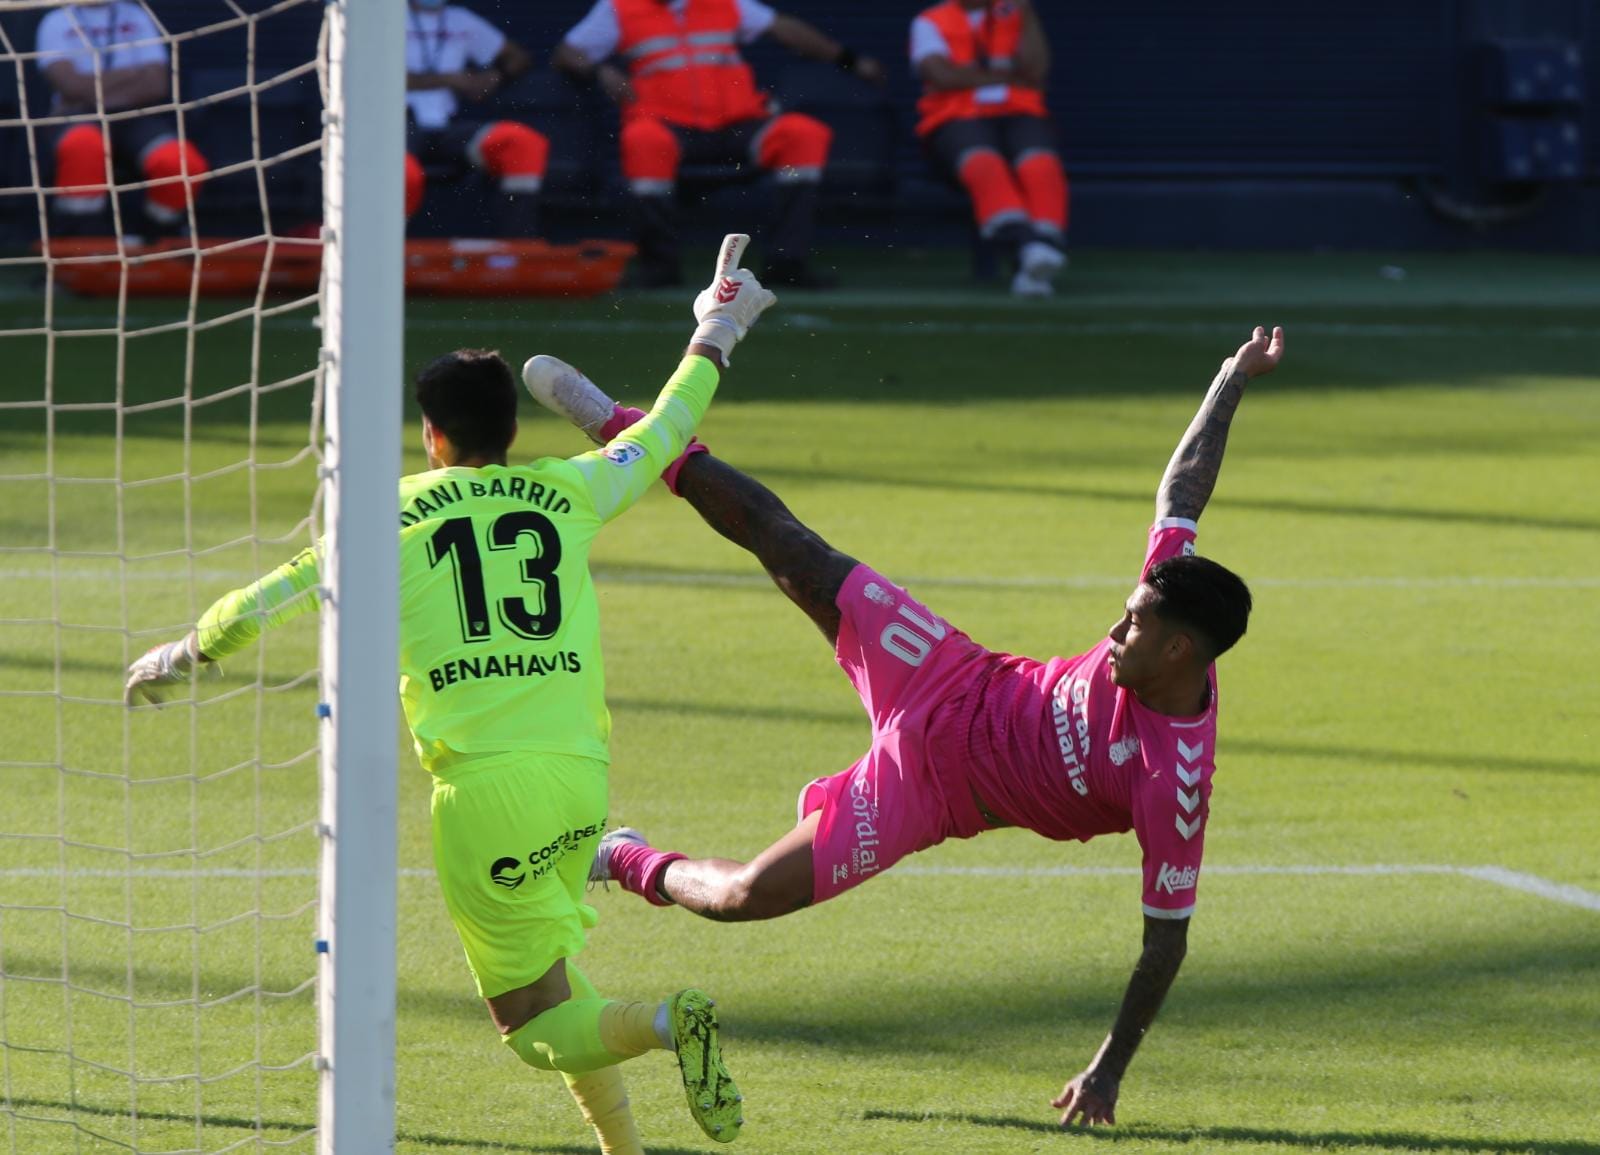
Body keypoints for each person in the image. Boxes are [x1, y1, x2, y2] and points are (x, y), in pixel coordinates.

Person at [532, 325, 1286, 1127]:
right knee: (794, 550)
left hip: (928, 792)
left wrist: (1108, 1069)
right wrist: (1231, 375)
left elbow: (1165, 942)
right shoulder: (1165, 615)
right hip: (951, 672)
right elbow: (1182, 493)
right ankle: (630, 434)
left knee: (745, 896)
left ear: (1178, 649)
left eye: (1132, 628)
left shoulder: (1174, 781)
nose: (1112, 634)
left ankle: (624, 854)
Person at [123, 236, 778, 1153]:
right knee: (554, 976)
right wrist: (717, 328)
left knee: (528, 1024)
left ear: (431, 433)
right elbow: (664, 432)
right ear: (511, 428)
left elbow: (274, 593)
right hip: (580, 780)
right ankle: (624, 1148)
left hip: (485, 791)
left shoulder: (387, 515)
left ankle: (671, 1020)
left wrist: (188, 649)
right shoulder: (571, 490)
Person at [553, 0, 884, 289]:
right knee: (643, 140)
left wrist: (850, 60)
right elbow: (566, 55)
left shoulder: (725, 2)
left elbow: (787, 30)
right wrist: (598, 70)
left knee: (803, 134)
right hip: (667, 125)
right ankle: (659, 268)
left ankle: (786, 264)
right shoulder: (618, 7)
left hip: (738, 123)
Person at [910, 0, 1069, 297]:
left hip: (1018, 112)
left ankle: (1040, 254)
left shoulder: (1013, 12)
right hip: (955, 117)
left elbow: (1036, 70)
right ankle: (1027, 247)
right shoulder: (931, 20)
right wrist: (1005, 77)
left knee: (1040, 163)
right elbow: (942, 77)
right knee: (983, 162)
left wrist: (1026, 12)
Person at [35, 0, 210, 236]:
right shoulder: (56, 20)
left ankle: (155, 236)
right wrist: (132, 73)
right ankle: (81, 242)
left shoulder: (135, 15)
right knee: (83, 146)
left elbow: (157, 83)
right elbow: (70, 85)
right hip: (77, 115)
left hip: (135, 114)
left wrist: (95, 87)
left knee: (181, 162)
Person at [403, 0, 546, 236]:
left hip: (446, 126)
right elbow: (373, 73)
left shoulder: (460, 19)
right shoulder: (385, 18)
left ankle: (518, 251)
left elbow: (517, 57)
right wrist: (448, 79)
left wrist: (494, 77)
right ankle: (387, 257)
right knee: (400, 172)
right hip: (397, 128)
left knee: (521, 143)